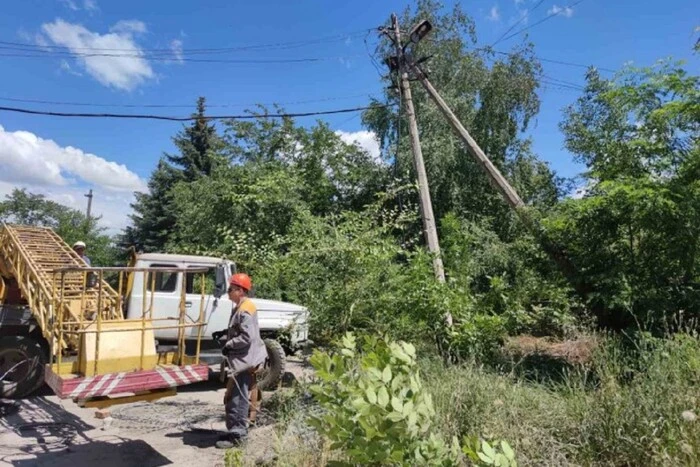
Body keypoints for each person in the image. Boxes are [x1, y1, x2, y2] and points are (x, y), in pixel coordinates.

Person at [215, 273, 267, 449]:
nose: (228, 293)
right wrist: (225, 332)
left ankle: (237, 435)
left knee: (238, 399)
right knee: (235, 396)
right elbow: (241, 330)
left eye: (230, 289)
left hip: (245, 361)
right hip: (245, 359)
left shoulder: (244, 309)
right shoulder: (243, 306)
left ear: (239, 290)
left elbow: (246, 337)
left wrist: (228, 345)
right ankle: (234, 431)